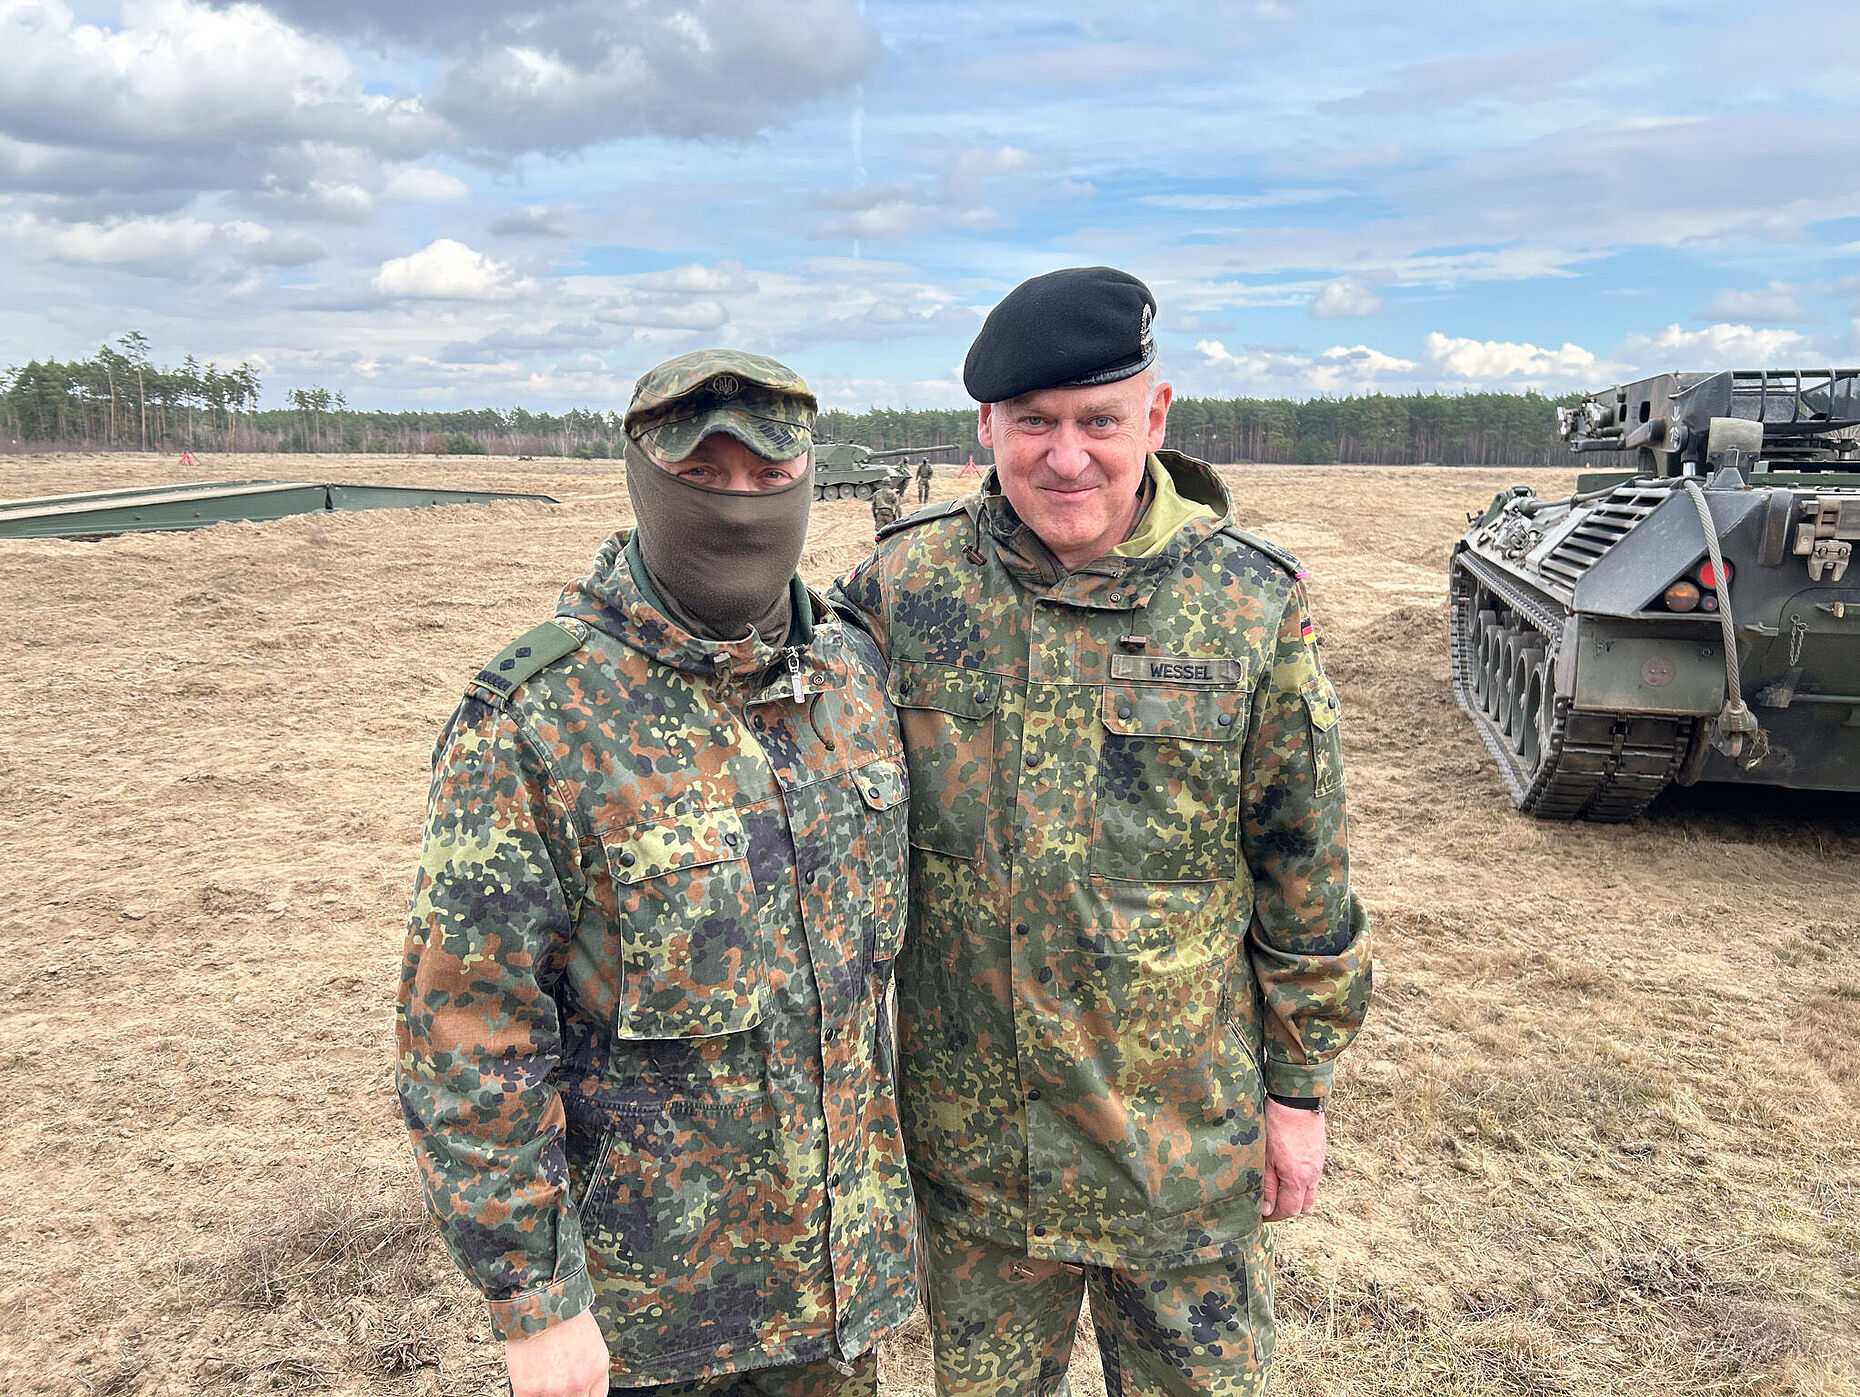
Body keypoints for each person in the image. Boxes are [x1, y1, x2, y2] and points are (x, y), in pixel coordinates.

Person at [829, 267, 1371, 1397]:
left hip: (1182, 1150)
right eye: (1034, 422)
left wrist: (1299, 1091)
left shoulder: (1249, 601)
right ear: (987, 424)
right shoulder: (903, 585)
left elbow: (1302, 867)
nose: (1066, 456)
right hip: (978, 1156)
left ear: (1155, 418)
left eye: (1098, 421)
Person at [398, 349, 918, 1397]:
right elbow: (469, 1030)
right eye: (705, 475)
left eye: (771, 479)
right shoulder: (540, 716)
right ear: (643, 475)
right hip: (650, 1321)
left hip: (837, 1284)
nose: (740, 507)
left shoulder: (855, 676)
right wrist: (536, 1300)